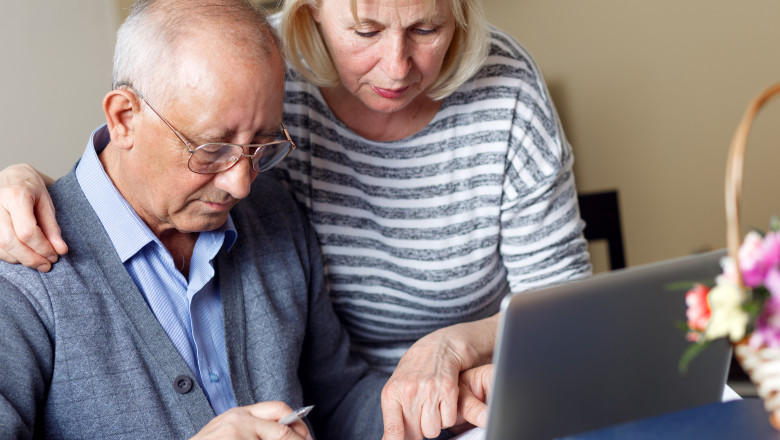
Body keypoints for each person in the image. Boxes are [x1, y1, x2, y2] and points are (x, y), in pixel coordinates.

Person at [0, 0, 590, 438]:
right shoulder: (25, 270)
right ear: (124, 118)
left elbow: (337, 397)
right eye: (209, 149)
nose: (241, 182)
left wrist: (439, 408)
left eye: (262, 146)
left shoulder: (271, 214)